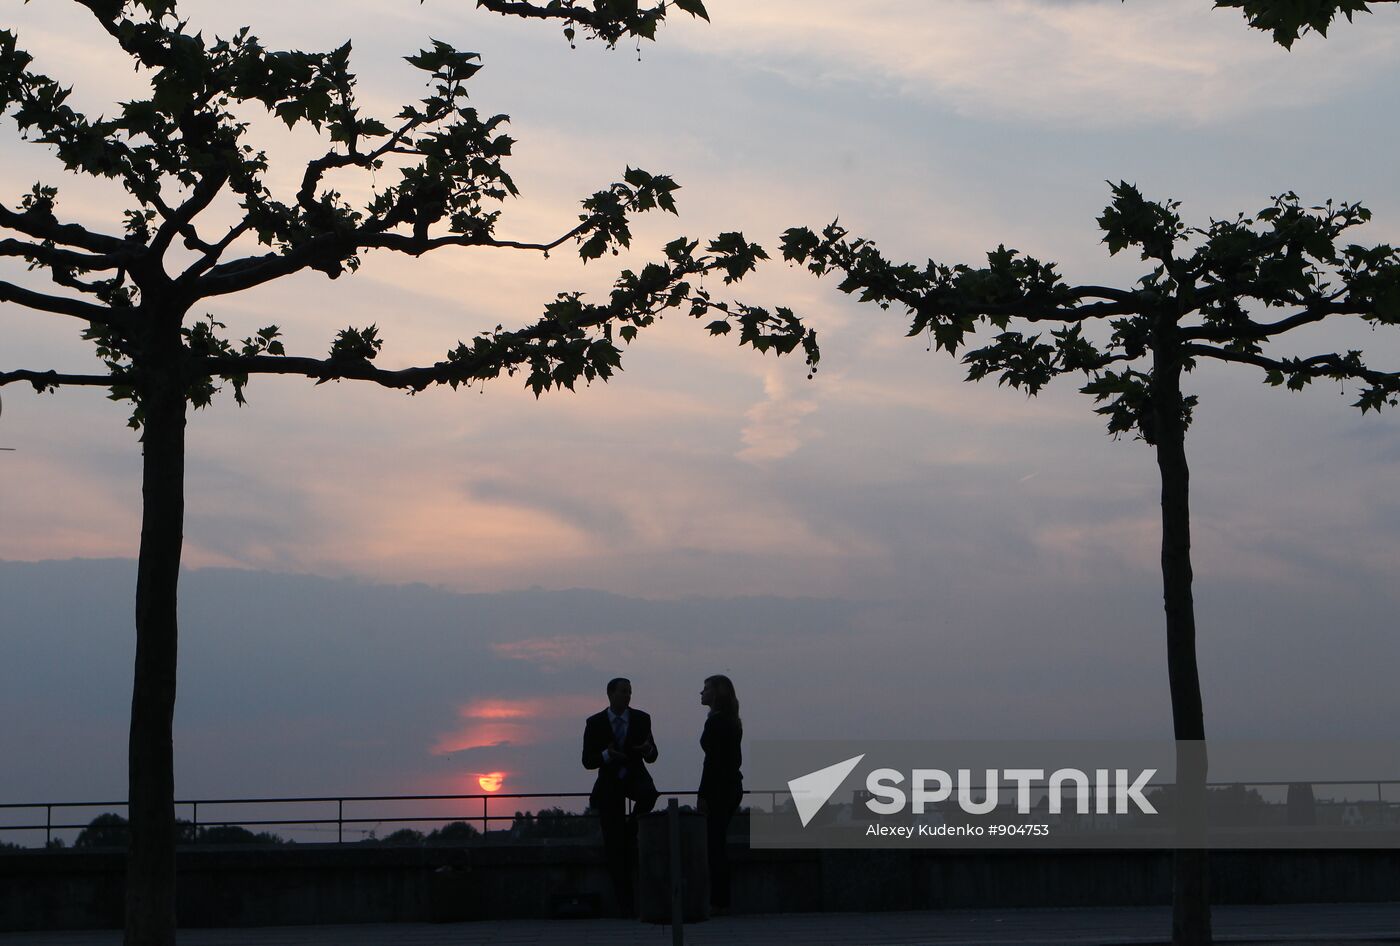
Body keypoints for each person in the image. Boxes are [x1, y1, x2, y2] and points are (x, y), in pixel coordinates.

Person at [582, 677, 659, 916]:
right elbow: (587, 761)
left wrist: (647, 750)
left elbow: (653, 754)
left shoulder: (642, 719)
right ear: (610, 694)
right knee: (615, 849)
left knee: (649, 794)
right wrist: (606, 755)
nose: (628, 696)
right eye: (624, 692)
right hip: (610, 782)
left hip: (635, 776)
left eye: (630, 692)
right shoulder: (594, 723)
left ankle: (629, 829)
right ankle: (625, 904)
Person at [698, 674, 743, 913]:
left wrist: (702, 794)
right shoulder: (731, 721)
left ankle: (719, 900)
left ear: (716, 693)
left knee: (714, 845)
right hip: (731, 786)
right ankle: (720, 899)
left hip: (719, 789)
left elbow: (712, 763)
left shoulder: (716, 722)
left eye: (705, 689)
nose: (701, 693)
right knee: (717, 842)